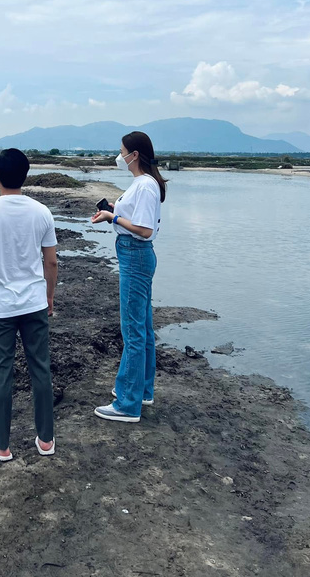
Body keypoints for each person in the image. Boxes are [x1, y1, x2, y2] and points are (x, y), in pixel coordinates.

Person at [0, 148, 59, 461]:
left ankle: (2, 447)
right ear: (26, 175)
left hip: (0, 309)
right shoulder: (41, 212)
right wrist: (49, 297)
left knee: (1, 375)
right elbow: (52, 262)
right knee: (40, 370)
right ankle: (46, 440)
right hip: (33, 303)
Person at [90, 131, 167, 422]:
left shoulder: (145, 186)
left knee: (133, 331)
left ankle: (127, 404)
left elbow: (144, 230)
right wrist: (111, 211)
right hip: (134, 255)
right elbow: (136, 219)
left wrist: (113, 218)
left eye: (122, 151)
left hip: (136, 255)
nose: (119, 156)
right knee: (142, 328)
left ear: (134, 155)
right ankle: (142, 391)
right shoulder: (142, 184)